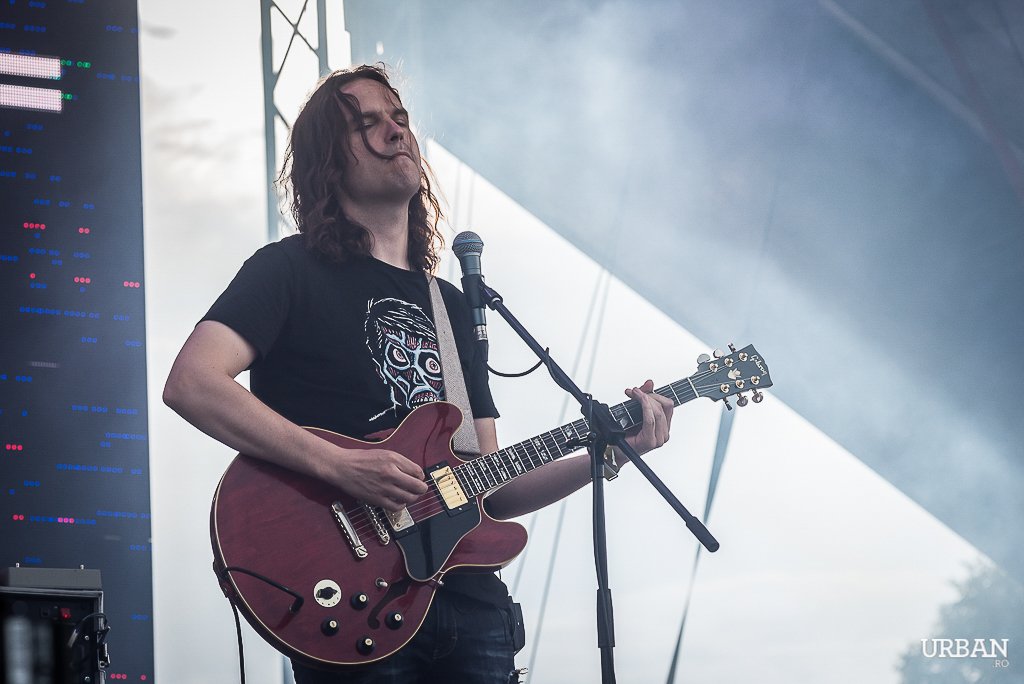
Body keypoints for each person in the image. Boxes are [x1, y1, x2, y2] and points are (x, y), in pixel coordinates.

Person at [163, 64, 674, 684]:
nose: (394, 131)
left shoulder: (451, 304)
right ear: (328, 161)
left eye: (399, 117)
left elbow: (491, 485)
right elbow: (193, 382)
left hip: (472, 605)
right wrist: (340, 465)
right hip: (352, 600)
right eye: (366, 124)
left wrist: (611, 451)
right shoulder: (287, 271)